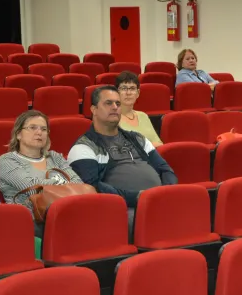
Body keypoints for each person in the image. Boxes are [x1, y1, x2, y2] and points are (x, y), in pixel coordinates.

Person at [67, 86, 177, 232]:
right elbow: (92, 187)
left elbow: (165, 169)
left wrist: (166, 193)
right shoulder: (83, 147)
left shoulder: (138, 139)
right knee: (154, 221)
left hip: (156, 201)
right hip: (122, 209)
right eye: (108, 103)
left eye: (118, 103)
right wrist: (137, 197)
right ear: (94, 109)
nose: (115, 107)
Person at [0, 111, 84, 234]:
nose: (39, 132)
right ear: (18, 134)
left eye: (44, 129)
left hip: (66, 214)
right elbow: (33, 189)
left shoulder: (54, 157)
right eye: (32, 128)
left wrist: (51, 185)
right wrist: (63, 183)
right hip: (30, 222)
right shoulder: (7, 160)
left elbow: (79, 184)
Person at [116, 71, 162, 147]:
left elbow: (159, 144)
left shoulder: (143, 116)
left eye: (132, 88)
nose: (128, 93)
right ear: (117, 92)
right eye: (124, 88)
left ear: (138, 93)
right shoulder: (112, 118)